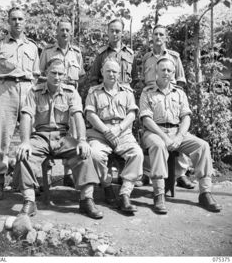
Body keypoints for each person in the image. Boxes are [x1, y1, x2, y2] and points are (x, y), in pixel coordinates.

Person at [14, 58, 103, 219]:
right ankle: (29, 202)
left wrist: (82, 140)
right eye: (53, 73)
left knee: (84, 153)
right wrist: (25, 142)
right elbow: (26, 116)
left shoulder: (71, 93)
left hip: (62, 137)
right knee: (24, 155)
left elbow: (77, 116)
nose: (57, 77)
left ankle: (86, 201)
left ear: (65, 75)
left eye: (60, 74)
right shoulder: (34, 92)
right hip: (40, 137)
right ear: (46, 73)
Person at [139, 57, 222, 214]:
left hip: (177, 132)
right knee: (158, 145)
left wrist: (178, 137)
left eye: (170, 70)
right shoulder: (147, 92)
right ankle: (159, 194)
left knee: (202, 146)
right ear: (156, 71)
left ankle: (205, 193)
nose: (166, 73)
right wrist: (165, 138)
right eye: (163, 70)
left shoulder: (180, 93)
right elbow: (146, 119)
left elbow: (186, 117)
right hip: (154, 132)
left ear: (174, 73)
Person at [0, 6, 40, 200]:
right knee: (1, 139)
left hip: (27, 91)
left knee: (30, 137)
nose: (17, 22)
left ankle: (24, 181)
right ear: (9, 21)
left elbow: (36, 75)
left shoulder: (32, 47)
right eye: (14, 19)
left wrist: (29, 91)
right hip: (4, 89)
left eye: (21, 19)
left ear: (25, 22)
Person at [137, 25, 194, 189]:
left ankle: (180, 174)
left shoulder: (174, 57)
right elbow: (142, 81)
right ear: (152, 37)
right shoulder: (146, 58)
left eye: (161, 34)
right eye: (155, 34)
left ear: (166, 37)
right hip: (152, 99)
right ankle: (148, 173)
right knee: (151, 137)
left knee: (177, 131)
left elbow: (181, 81)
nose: (158, 37)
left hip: (172, 99)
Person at [85, 58, 144, 213]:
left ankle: (125, 194)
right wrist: (106, 131)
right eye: (108, 71)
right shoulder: (94, 91)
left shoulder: (127, 92)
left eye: (115, 71)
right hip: (99, 133)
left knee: (137, 154)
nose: (111, 74)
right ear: (102, 72)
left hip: (122, 133)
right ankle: (107, 185)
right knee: (95, 154)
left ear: (119, 74)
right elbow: (90, 114)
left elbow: (132, 114)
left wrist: (118, 129)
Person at [39, 17, 86, 187]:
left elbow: (80, 76)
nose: (64, 32)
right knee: (50, 131)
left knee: (71, 133)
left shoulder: (77, 52)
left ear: (71, 32)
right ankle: (48, 175)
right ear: (56, 32)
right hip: (52, 96)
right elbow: (40, 74)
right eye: (62, 30)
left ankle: (68, 174)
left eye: (67, 30)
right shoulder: (48, 51)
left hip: (70, 95)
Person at [89, 18, 135, 86]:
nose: (114, 34)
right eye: (112, 31)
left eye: (117, 31)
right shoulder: (101, 54)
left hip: (125, 94)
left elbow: (134, 78)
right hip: (105, 94)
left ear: (122, 33)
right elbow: (94, 79)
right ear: (108, 32)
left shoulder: (130, 54)